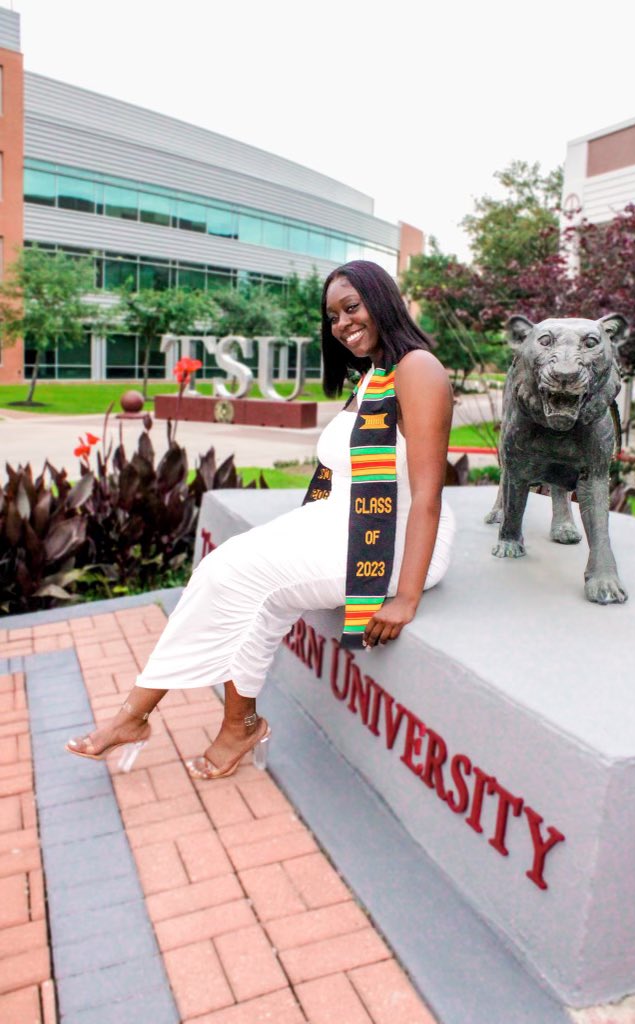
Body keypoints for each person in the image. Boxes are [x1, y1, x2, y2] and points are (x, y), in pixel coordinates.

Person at [66, 260, 455, 780]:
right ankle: (234, 724)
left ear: (382, 301)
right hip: (342, 517)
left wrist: (405, 597)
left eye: (351, 308)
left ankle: (135, 718)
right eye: (333, 316)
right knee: (226, 574)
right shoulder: (375, 376)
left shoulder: (418, 369)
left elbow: (428, 493)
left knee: (236, 576)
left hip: (392, 538)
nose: (341, 323)